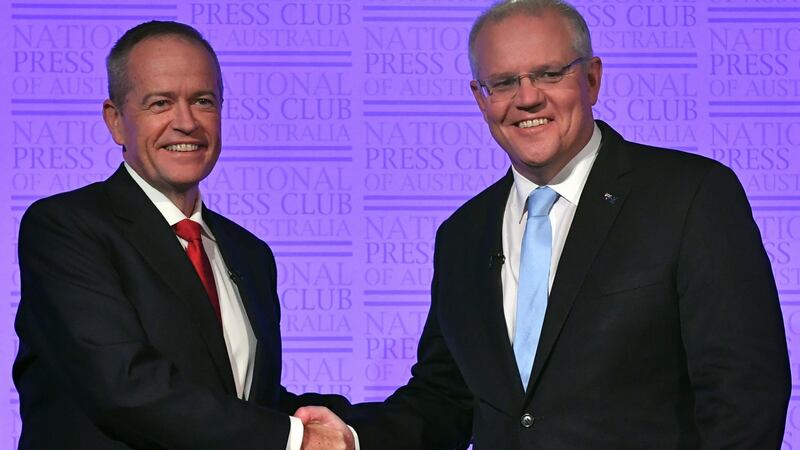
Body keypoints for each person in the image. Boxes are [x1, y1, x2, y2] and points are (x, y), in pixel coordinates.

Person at [299, 0, 791, 448]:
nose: (527, 98)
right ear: (479, 97)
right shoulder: (462, 235)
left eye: (549, 74)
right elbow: (446, 400)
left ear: (592, 78)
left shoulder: (689, 195)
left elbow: (744, 392)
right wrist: (351, 438)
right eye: (504, 82)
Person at [13, 21, 354, 450]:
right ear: (116, 122)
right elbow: (125, 387)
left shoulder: (249, 254)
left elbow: (242, 402)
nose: (187, 122)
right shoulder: (65, 228)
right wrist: (296, 439)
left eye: (203, 101)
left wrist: (357, 429)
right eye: (160, 103)